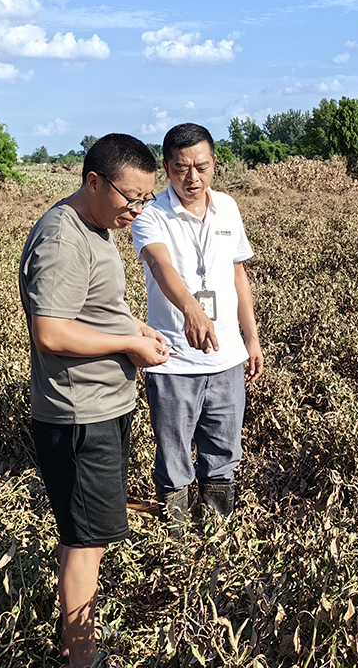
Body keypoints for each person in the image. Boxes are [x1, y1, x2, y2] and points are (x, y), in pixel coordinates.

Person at [18, 133, 170, 668]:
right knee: (86, 544)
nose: (139, 208)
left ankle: (75, 645)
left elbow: (95, 309)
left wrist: (137, 328)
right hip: (79, 415)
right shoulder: (63, 239)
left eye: (148, 198)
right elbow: (52, 333)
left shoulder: (99, 226)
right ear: (94, 182)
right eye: (131, 197)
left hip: (102, 405)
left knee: (85, 535)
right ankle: (82, 660)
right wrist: (129, 343)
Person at [130, 122, 263, 526]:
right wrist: (190, 308)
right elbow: (160, 263)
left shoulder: (228, 207)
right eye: (181, 168)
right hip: (172, 359)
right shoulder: (150, 216)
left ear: (214, 163)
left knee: (224, 454)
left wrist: (251, 339)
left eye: (201, 167)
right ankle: (177, 542)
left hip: (225, 357)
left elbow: (238, 274)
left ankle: (218, 533)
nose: (193, 178)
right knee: (173, 457)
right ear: (166, 168)